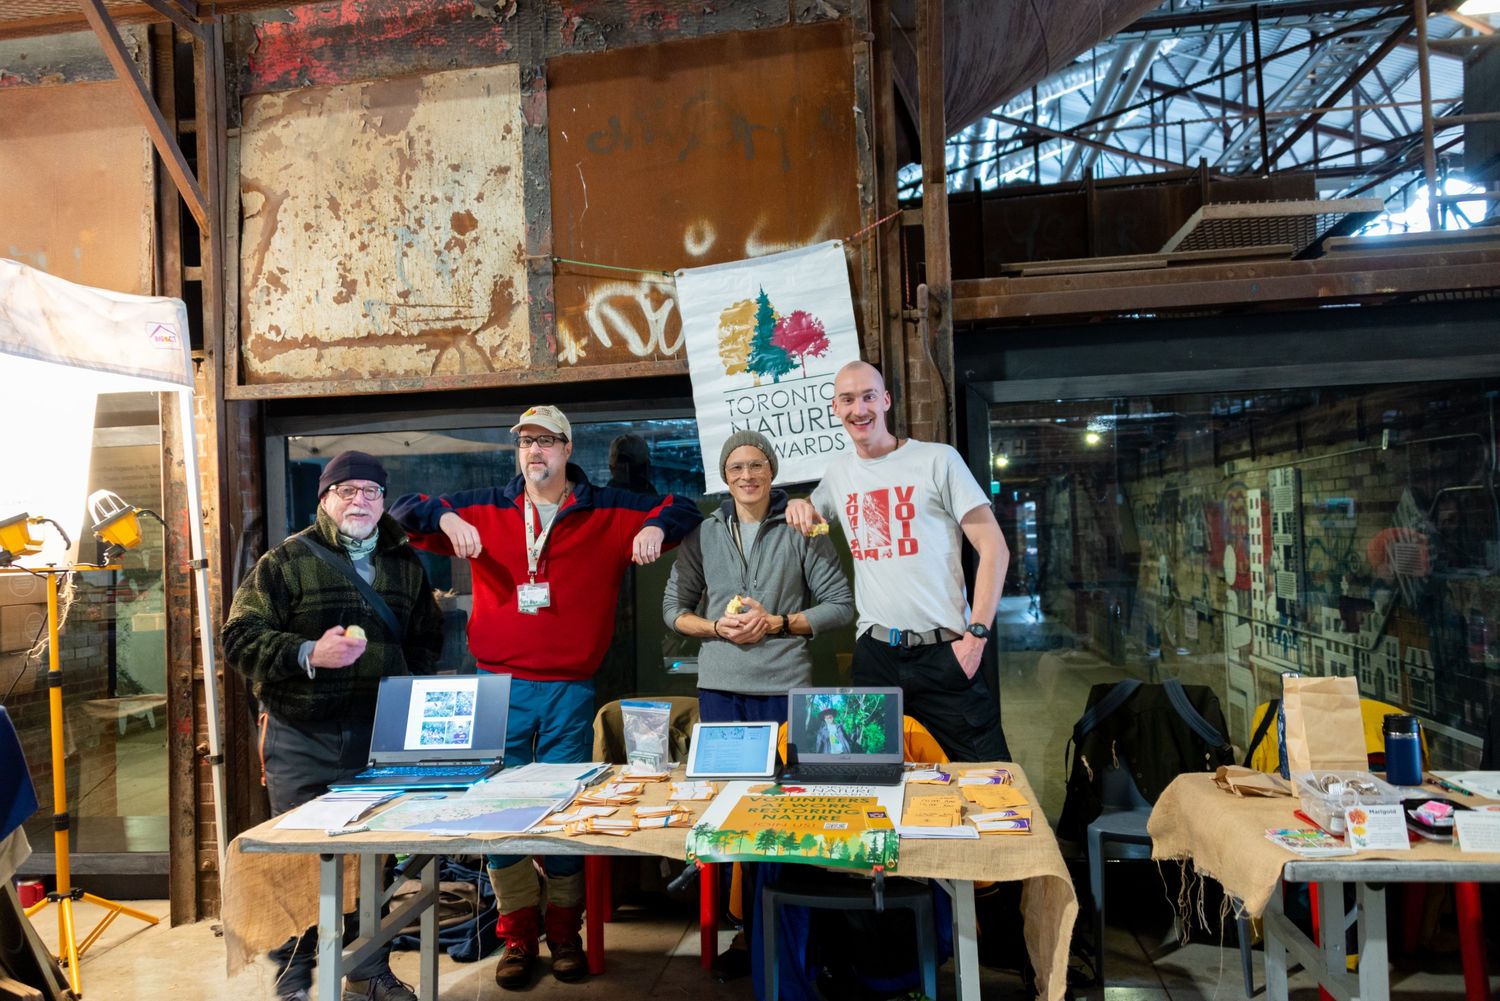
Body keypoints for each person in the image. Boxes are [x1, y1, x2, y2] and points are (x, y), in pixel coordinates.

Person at [390, 405, 701, 989]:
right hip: (497, 685)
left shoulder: (608, 508)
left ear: (566, 449)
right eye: (525, 442)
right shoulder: (485, 505)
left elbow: (680, 505)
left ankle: (564, 933)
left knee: (563, 811)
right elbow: (402, 513)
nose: (534, 451)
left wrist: (657, 527)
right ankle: (516, 937)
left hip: (569, 686)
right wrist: (444, 515)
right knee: (501, 815)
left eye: (546, 441)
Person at [222, 450, 444, 1001]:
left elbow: (427, 638)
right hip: (302, 735)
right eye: (347, 491)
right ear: (325, 500)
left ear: (383, 501)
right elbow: (238, 638)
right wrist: (306, 652)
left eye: (370, 491)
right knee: (301, 857)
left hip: (379, 736)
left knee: (375, 856)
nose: (360, 501)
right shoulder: (286, 561)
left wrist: (406, 691)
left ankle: (368, 974)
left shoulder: (406, 562)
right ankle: (295, 980)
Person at [786, 361, 1012, 763]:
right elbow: (810, 512)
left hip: (945, 652)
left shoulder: (937, 460)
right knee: (871, 776)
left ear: (886, 401)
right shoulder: (839, 473)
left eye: (869, 396)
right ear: (835, 409)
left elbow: (994, 547)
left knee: (987, 776)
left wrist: (976, 637)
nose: (860, 409)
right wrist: (797, 505)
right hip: (876, 656)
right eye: (848, 399)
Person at [662, 430, 853, 726]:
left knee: (785, 773)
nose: (746, 476)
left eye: (757, 465)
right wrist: (716, 627)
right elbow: (673, 610)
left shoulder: (801, 529)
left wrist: (777, 623)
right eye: (736, 467)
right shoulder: (703, 534)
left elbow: (840, 606)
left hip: (785, 686)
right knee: (726, 773)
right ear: (725, 476)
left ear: (771, 471)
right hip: (718, 688)